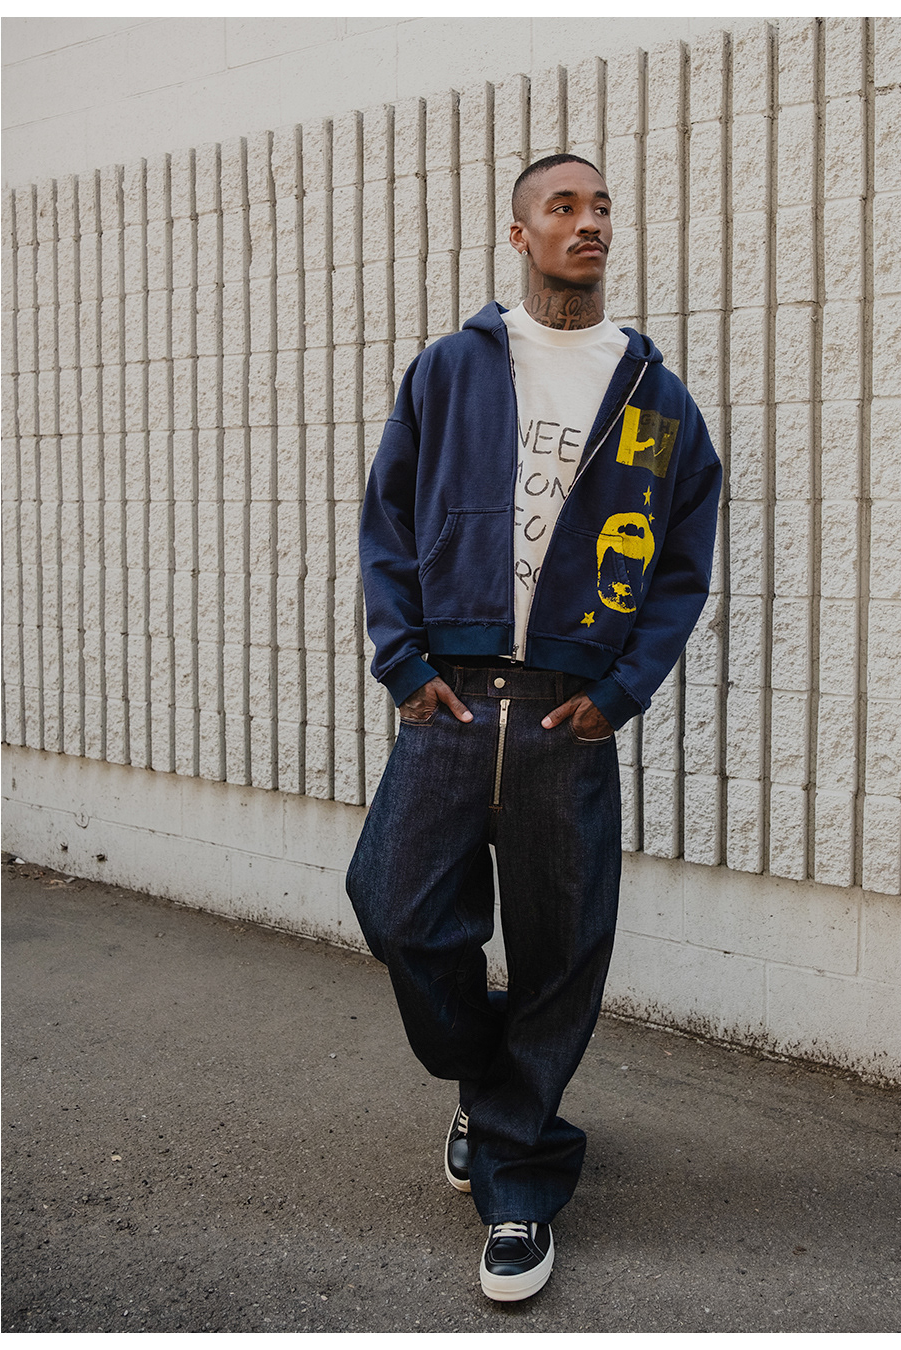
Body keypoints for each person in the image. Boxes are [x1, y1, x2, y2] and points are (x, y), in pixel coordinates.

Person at [346, 154, 722, 1302]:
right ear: (520, 235)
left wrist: (621, 691)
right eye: (564, 206)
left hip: (568, 716)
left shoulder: (655, 398)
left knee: (562, 952)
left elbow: (683, 563)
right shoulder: (453, 368)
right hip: (455, 699)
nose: (588, 222)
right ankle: (496, 1079)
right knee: (396, 908)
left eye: (602, 206)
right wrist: (405, 661)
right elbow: (388, 519)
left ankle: (518, 1183)